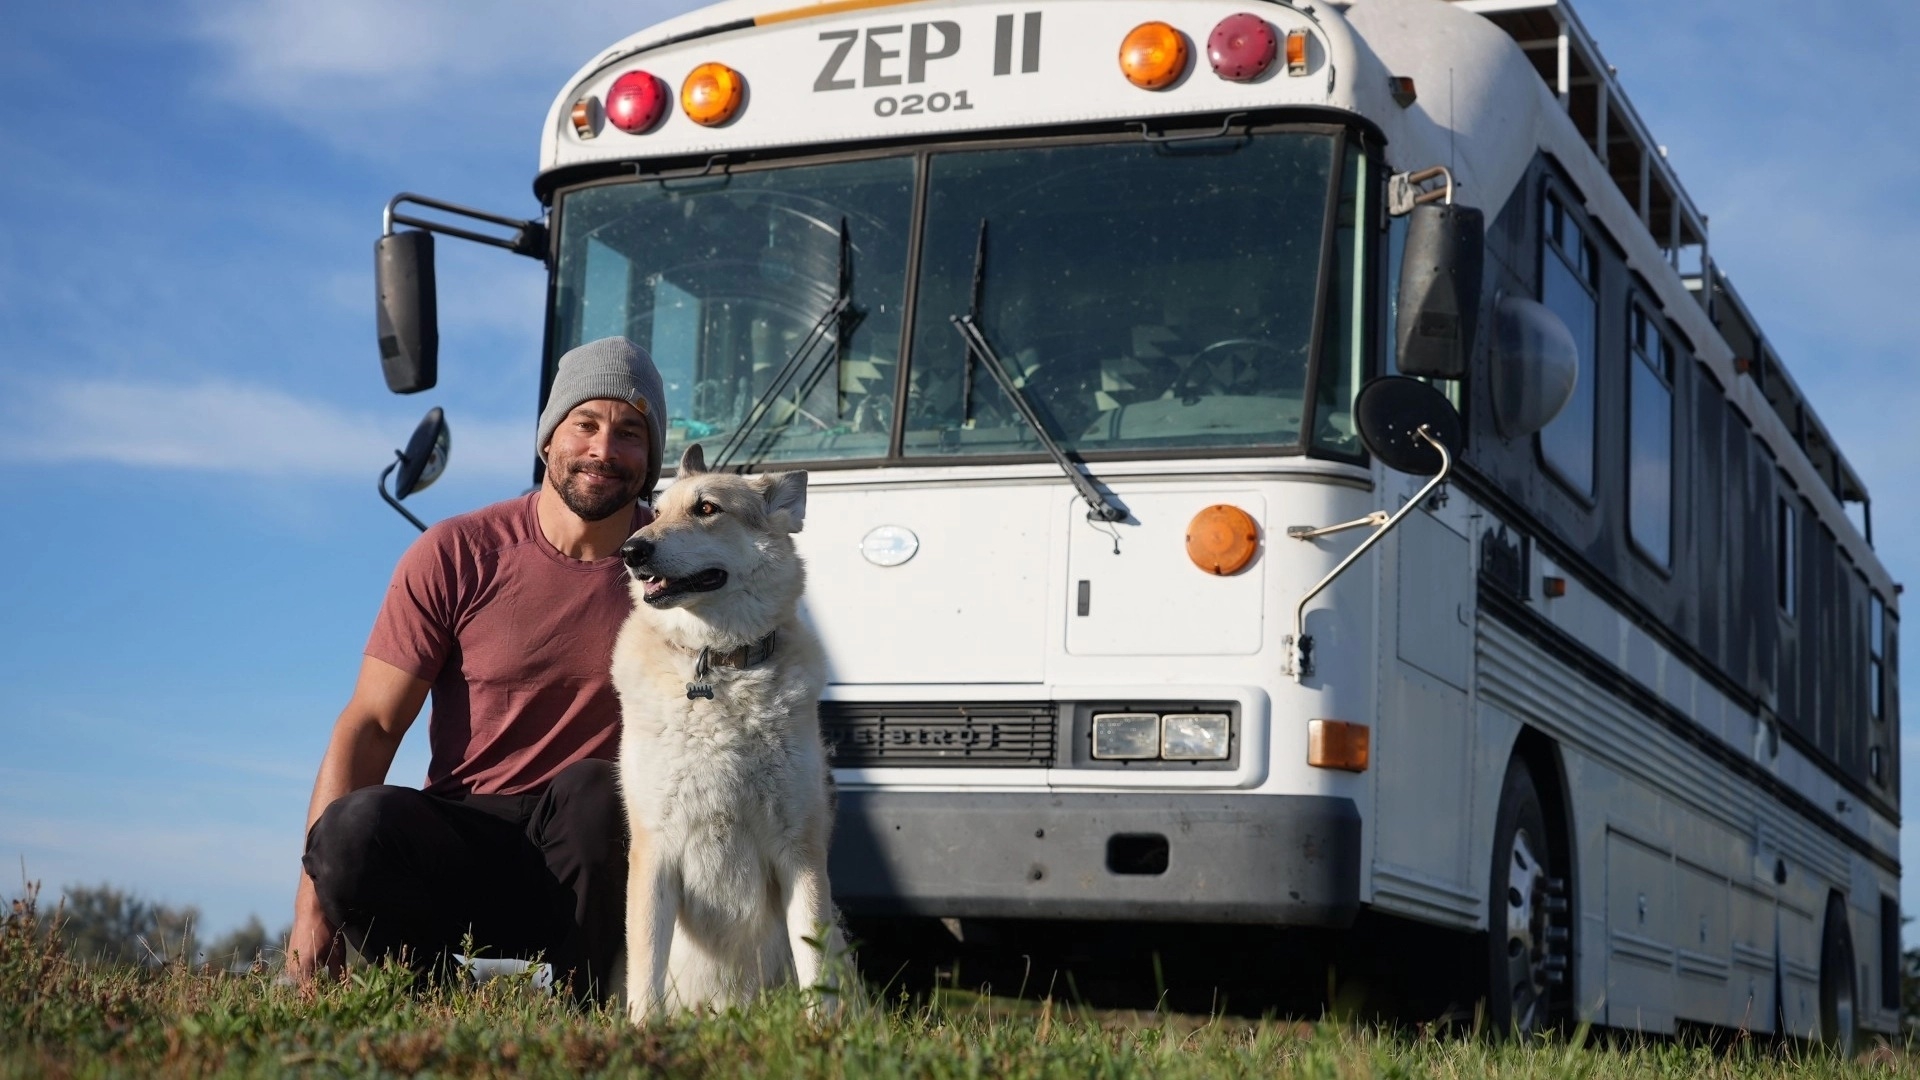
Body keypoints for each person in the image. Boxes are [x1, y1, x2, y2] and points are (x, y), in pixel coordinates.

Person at [287, 337, 667, 1004]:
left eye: (630, 432)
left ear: (650, 457)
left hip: (594, 852)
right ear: (548, 440)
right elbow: (372, 724)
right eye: (586, 424)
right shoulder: (456, 554)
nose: (604, 450)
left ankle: (587, 1015)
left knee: (597, 790)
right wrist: (312, 909)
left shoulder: (676, 572)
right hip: (462, 839)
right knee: (352, 830)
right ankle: (433, 1004)